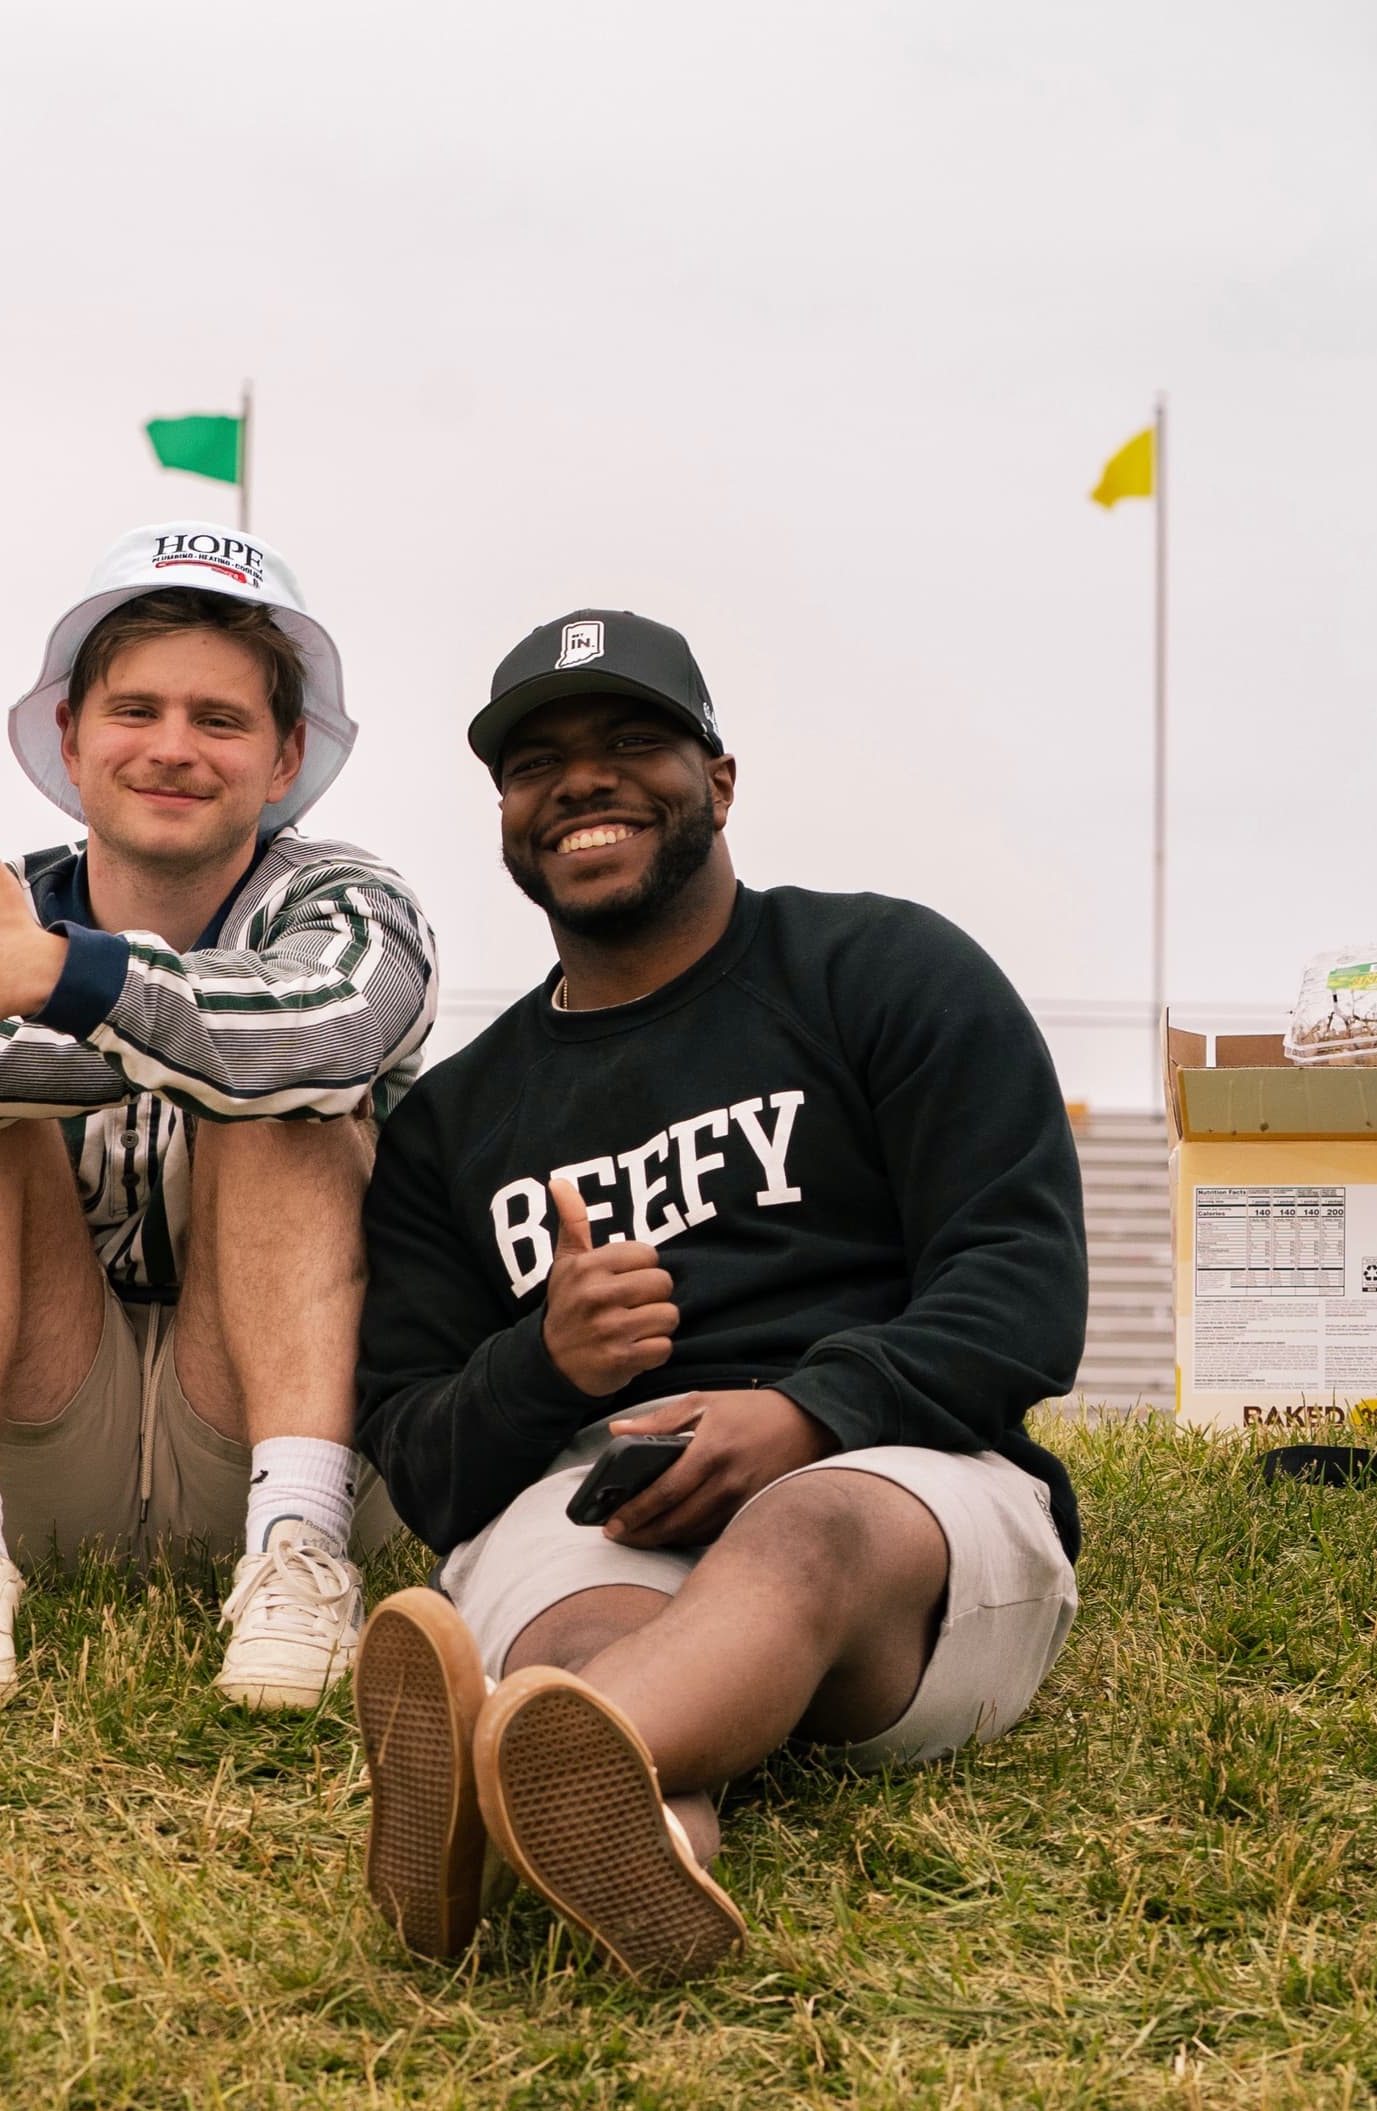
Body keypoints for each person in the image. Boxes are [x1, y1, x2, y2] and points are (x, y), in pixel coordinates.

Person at [351, 610, 1085, 1985]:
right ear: (506, 812)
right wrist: (549, 1367)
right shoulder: (454, 1122)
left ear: (722, 782)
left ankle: (469, 1790)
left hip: (893, 1490)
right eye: (538, 761)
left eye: (634, 741)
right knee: (580, 1642)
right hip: (598, 1494)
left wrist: (807, 1413)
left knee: (801, 1532)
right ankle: (662, 1846)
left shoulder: (883, 973)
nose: (584, 781)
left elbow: (1023, 1287)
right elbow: (421, 1457)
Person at [0, 524, 438, 1706]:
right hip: (61, 1427)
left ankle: (301, 1552)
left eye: (219, 721)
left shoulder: (348, 897)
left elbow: (328, 1035)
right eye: (136, 711)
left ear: (284, 759)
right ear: (69, 736)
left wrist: (75, 992)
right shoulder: (3, 904)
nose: (173, 750)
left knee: (281, 1099)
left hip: (275, 1420)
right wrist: (160, 1038)